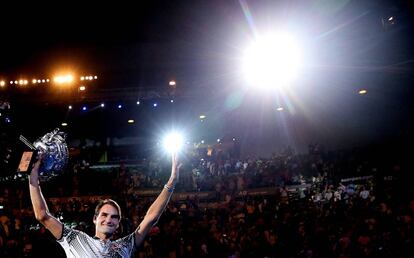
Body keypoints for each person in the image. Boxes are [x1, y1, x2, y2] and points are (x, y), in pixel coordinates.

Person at [29, 153, 181, 257]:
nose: (109, 219)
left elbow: (151, 218)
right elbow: (42, 215)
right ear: (95, 218)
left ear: (118, 224)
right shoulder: (74, 239)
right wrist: (33, 175)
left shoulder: (125, 246)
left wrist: (171, 182)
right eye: (104, 215)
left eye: (114, 217)